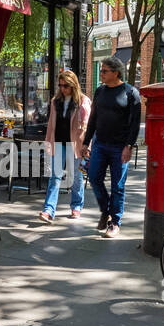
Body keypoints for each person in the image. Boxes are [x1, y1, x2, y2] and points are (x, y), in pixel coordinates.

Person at [81, 56, 141, 238]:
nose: (102, 73)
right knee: (93, 178)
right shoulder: (100, 91)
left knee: (118, 186)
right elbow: (93, 119)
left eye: (105, 71)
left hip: (119, 146)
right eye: (101, 70)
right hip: (100, 144)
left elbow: (135, 123)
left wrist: (129, 146)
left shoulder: (130, 93)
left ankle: (115, 222)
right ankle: (106, 210)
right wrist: (86, 142)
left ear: (116, 72)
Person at [39, 70, 92, 222]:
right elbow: (51, 124)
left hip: (76, 145)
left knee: (75, 176)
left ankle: (76, 206)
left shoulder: (83, 101)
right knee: (55, 177)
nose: (63, 88)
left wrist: (87, 146)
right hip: (59, 143)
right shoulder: (56, 101)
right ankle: (48, 210)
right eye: (61, 85)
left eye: (66, 86)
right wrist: (48, 142)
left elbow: (88, 126)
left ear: (74, 85)